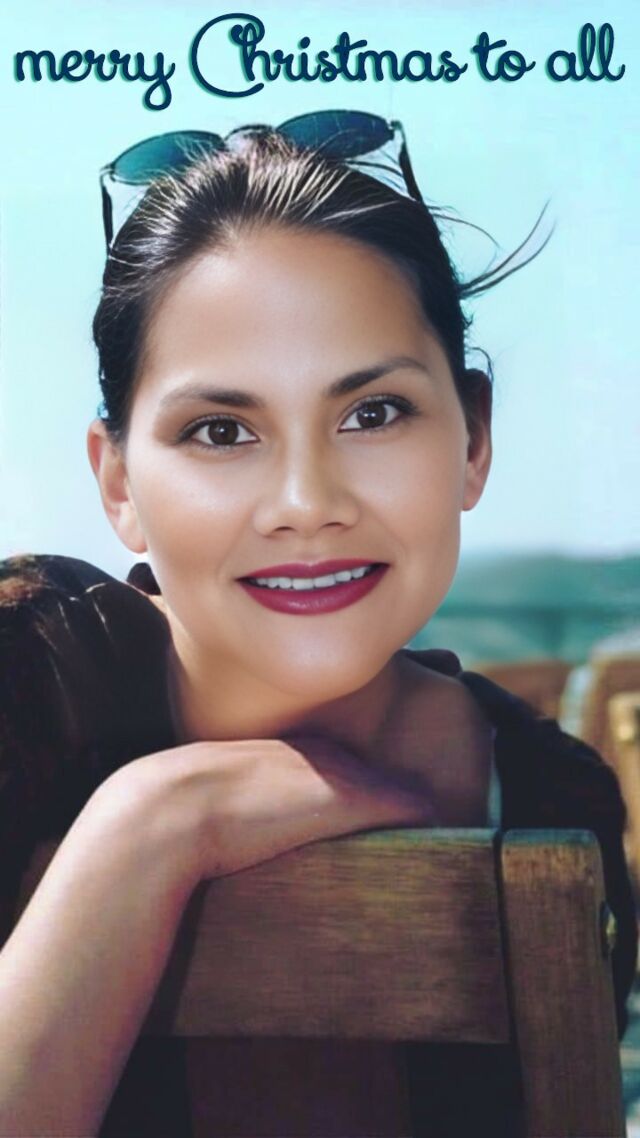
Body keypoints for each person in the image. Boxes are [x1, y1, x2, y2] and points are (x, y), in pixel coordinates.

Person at [0, 113, 636, 1137]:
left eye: (371, 413)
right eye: (221, 430)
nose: (306, 502)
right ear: (118, 484)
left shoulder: (550, 796)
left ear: (473, 439)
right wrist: (154, 824)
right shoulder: (23, 686)